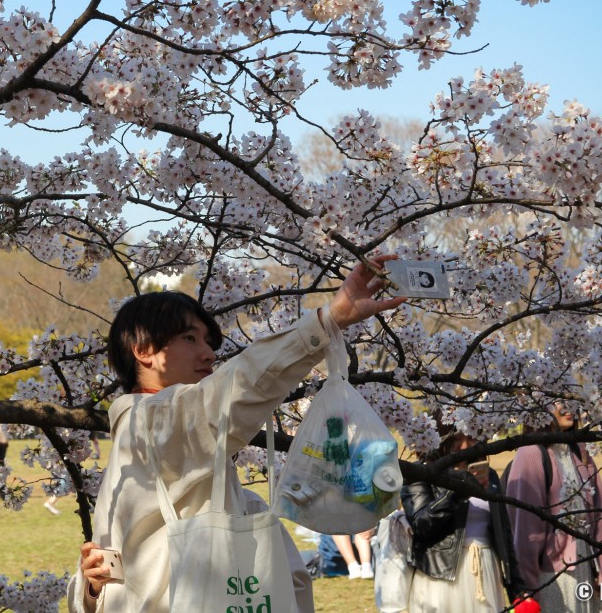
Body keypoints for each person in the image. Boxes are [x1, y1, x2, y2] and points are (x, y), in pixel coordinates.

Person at [66, 256, 406, 612]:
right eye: (189, 338)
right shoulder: (150, 423)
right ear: (143, 351)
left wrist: (91, 590)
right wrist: (327, 321)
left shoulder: (157, 438)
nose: (209, 354)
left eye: (208, 341)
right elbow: (236, 389)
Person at [402, 416, 530, 612]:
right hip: (441, 575)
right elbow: (421, 525)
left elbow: (503, 533)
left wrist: (517, 588)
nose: (464, 446)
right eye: (455, 439)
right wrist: (456, 494)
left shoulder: (490, 476)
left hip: (485, 571)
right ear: (440, 437)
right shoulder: (421, 473)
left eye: (471, 436)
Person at [505, 401, 602, 612]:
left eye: (571, 400)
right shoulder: (531, 454)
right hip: (553, 575)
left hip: (586, 569)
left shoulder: (581, 452)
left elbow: (599, 518)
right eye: (558, 400)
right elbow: (526, 531)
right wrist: (528, 590)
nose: (569, 408)